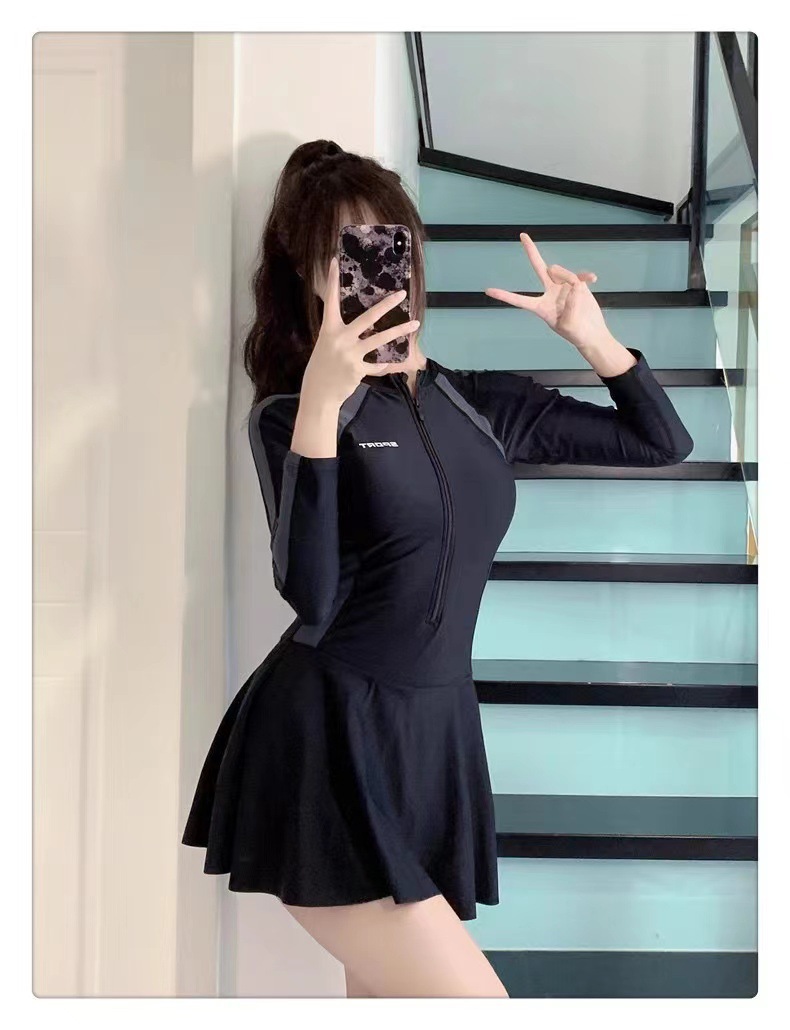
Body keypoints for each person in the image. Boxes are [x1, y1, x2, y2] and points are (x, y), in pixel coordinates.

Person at [181, 139, 694, 998]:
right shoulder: (290, 416)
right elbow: (309, 593)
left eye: (390, 244)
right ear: (311, 276)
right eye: (345, 252)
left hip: (436, 736)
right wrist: (321, 405)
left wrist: (595, 340)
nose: (377, 271)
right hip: (327, 732)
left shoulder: (479, 403)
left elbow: (661, 443)